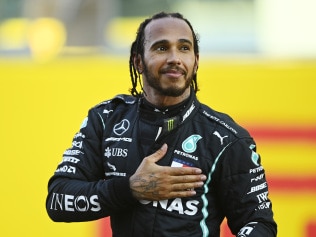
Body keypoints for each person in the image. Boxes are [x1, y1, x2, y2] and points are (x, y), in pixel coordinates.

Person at [46, 12, 277, 237]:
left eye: (184, 48)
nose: (175, 58)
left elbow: (258, 223)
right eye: (162, 47)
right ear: (138, 61)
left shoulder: (228, 139)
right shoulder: (106, 119)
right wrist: (130, 189)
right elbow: (58, 200)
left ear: (196, 62)